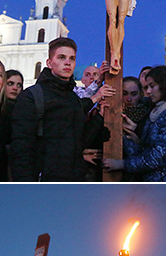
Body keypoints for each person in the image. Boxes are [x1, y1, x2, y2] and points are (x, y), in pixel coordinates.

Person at [9, 38, 108, 181]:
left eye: (72, 58)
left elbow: (79, 139)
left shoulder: (72, 98)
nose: (67, 62)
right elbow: (21, 148)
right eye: (61, 57)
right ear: (49, 63)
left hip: (73, 180)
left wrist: (100, 115)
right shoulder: (32, 95)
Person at [105, 65, 166, 180]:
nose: (148, 92)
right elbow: (150, 147)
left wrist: (121, 164)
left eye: (152, 86)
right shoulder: (158, 109)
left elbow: (159, 156)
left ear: (164, 85)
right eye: (147, 87)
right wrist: (133, 138)